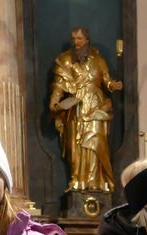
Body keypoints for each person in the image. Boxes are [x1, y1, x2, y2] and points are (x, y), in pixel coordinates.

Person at [48, 26, 123, 193]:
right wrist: (54, 101)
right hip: (75, 107)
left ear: (87, 40)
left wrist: (113, 85)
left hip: (96, 107)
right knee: (77, 146)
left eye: (79, 39)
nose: (76, 43)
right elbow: (59, 85)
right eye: (73, 39)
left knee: (96, 143)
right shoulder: (66, 60)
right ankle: (78, 181)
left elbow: (106, 80)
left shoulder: (99, 60)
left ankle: (98, 182)